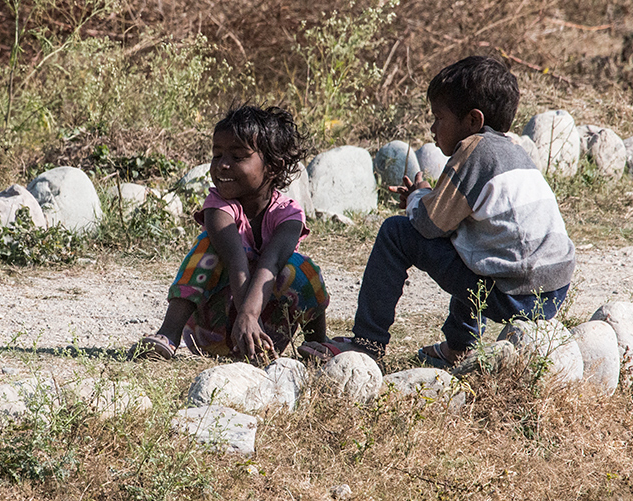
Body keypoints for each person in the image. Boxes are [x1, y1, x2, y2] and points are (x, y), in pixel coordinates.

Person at [299, 55, 576, 369]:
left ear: (472, 120)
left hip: (513, 293)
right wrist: (427, 198)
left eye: (438, 117)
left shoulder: (474, 150)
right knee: (470, 241)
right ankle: (458, 348)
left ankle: (367, 342)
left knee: (395, 233)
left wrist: (419, 196)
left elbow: (429, 224)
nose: (432, 128)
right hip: (553, 290)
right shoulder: (513, 151)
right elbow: (453, 218)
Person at [129, 105, 329, 363]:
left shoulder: (288, 216)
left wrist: (250, 317)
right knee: (208, 247)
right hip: (213, 330)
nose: (222, 165)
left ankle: (316, 343)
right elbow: (235, 259)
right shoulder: (217, 207)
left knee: (301, 268)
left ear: (273, 167)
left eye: (237, 157)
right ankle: (168, 335)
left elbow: (272, 263)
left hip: (265, 336)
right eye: (217, 154)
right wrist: (245, 317)